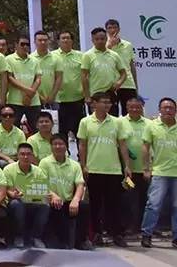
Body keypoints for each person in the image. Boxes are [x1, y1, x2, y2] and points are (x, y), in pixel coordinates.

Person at [78, 91, 132, 247]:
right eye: (104, 102)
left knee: (114, 204)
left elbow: (122, 145)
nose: (107, 105)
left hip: (113, 170)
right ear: (94, 103)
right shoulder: (85, 122)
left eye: (109, 102)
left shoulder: (117, 122)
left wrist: (127, 166)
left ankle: (117, 234)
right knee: (95, 204)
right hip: (93, 169)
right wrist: (83, 165)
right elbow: (82, 145)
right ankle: (96, 233)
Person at [40, 133, 91, 250]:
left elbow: (80, 184)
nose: (58, 147)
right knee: (55, 208)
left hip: (68, 202)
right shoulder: (44, 163)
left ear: (66, 146)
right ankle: (58, 241)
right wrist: (53, 195)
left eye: (61, 144)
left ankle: (81, 241)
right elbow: (42, 183)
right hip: (51, 201)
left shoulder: (74, 165)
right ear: (51, 146)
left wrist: (76, 200)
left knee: (84, 206)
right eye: (55, 144)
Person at [140, 97, 177, 248]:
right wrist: (146, 168)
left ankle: (176, 238)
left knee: (176, 207)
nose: (168, 110)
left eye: (171, 108)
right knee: (153, 205)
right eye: (164, 107)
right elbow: (145, 148)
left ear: (175, 110)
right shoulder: (152, 126)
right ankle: (146, 234)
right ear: (160, 110)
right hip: (159, 172)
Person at [3, 143, 49, 248]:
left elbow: (43, 189)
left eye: (28, 154)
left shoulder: (38, 171)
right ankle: (19, 236)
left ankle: (36, 237)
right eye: (22, 154)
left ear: (32, 156)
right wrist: (12, 194)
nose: (25, 157)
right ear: (17, 156)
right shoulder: (8, 169)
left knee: (45, 205)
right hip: (15, 200)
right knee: (16, 204)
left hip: (32, 200)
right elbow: (5, 189)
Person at [121, 96, 150, 237]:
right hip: (129, 172)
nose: (134, 109)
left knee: (145, 199)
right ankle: (129, 226)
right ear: (126, 107)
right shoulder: (120, 122)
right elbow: (119, 143)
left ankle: (142, 227)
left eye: (137, 107)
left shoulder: (149, 124)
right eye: (131, 107)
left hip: (145, 171)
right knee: (130, 198)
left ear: (142, 108)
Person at [81, 27, 127, 110]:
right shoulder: (87, 55)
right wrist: (87, 96)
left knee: (112, 117)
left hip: (111, 93)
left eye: (102, 39)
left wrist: (118, 83)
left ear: (106, 39)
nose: (100, 41)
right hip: (95, 94)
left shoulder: (114, 55)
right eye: (97, 39)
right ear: (92, 40)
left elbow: (123, 73)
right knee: (96, 118)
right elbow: (84, 77)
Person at [50, 31, 84, 140]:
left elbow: (85, 75)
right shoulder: (52, 56)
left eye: (68, 38)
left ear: (72, 40)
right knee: (61, 132)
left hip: (77, 99)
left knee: (79, 132)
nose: (65, 40)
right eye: (63, 38)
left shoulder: (81, 56)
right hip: (59, 100)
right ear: (58, 41)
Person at [5, 36, 41, 130]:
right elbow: (10, 78)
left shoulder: (35, 60)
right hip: (15, 101)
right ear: (16, 45)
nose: (25, 46)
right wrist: (28, 90)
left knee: (37, 129)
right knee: (13, 129)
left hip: (33, 101)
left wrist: (29, 95)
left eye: (27, 44)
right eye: (22, 44)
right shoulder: (8, 59)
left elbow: (38, 79)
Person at [105, 19, 138, 116]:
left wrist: (136, 85)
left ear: (119, 29)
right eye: (109, 28)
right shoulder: (104, 45)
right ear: (106, 30)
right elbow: (101, 59)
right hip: (111, 85)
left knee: (129, 114)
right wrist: (109, 45)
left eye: (114, 27)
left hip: (128, 84)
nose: (112, 30)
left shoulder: (128, 45)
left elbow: (131, 66)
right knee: (112, 114)